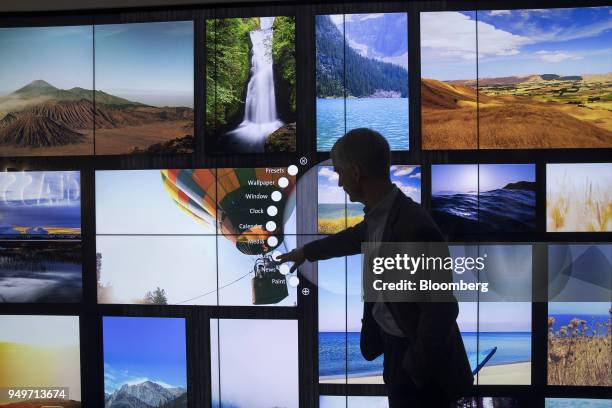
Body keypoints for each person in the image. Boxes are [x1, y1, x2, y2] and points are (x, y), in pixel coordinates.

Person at [278, 128, 473, 407]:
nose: (339, 181)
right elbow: (352, 238)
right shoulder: (381, 215)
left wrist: (413, 366)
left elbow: (442, 309)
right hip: (396, 350)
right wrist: (305, 252)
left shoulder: (414, 226)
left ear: (356, 172)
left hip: (420, 370)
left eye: (339, 172)